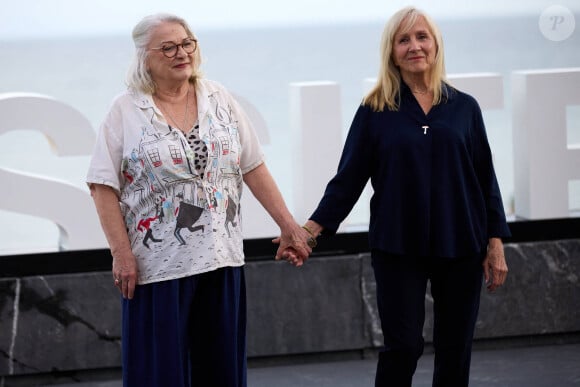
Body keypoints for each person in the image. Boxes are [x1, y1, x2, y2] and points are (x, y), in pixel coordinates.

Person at [286, 6, 511, 387]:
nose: (414, 46)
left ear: (436, 45)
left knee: (455, 348)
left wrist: (495, 243)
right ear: (391, 52)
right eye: (403, 40)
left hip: (461, 244)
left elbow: (485, 179)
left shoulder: (465, 108)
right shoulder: (375, 110)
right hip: (397, 246)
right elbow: (348, 180)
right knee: (403, 346)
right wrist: (308, 231)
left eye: (422, 37)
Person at [86, 13, 311, 387]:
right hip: (158, 271)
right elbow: (102, 186)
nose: (181, 53)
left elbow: (252, 165)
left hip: (221, 260)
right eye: (168, 47)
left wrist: (289, 226)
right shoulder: (125, 110)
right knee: (159, 376)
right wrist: (121, 254)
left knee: (220, 374)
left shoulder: (219, 98)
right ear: (144, 57)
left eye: (187, 43)